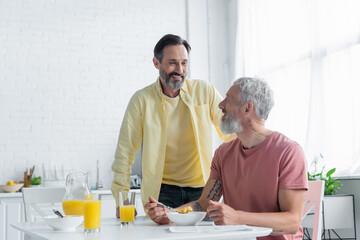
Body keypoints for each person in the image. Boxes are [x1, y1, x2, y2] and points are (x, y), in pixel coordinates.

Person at [145, 77, 308, 240]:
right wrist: (171, 214)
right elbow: (202, 205)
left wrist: (238, 218)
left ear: (247, 108)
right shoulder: (223, 153)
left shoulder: (288, 152)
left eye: (228, 100)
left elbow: (292, 222)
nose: (220, 105)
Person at [111, 34, 234, 217]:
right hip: (161, 193)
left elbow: (231, 134)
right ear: (156, 63)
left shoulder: (204, 91)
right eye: (172, 63)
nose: (180, 70)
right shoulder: (141, 100)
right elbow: (125, 152)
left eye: (184, 63)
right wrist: (122, 200)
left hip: (202, 191)